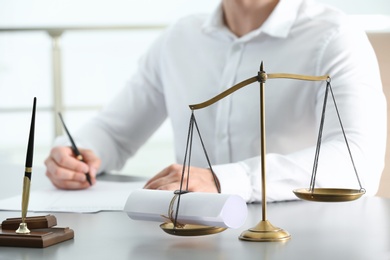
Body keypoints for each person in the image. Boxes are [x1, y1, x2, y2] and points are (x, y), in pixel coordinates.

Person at [45, 0, 386, 203]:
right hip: (195, 238)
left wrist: (224, 180)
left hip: (304, 239)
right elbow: (114, 132)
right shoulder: (180, 38)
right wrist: (73, 154)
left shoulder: (334, 37)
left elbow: (359, 164)